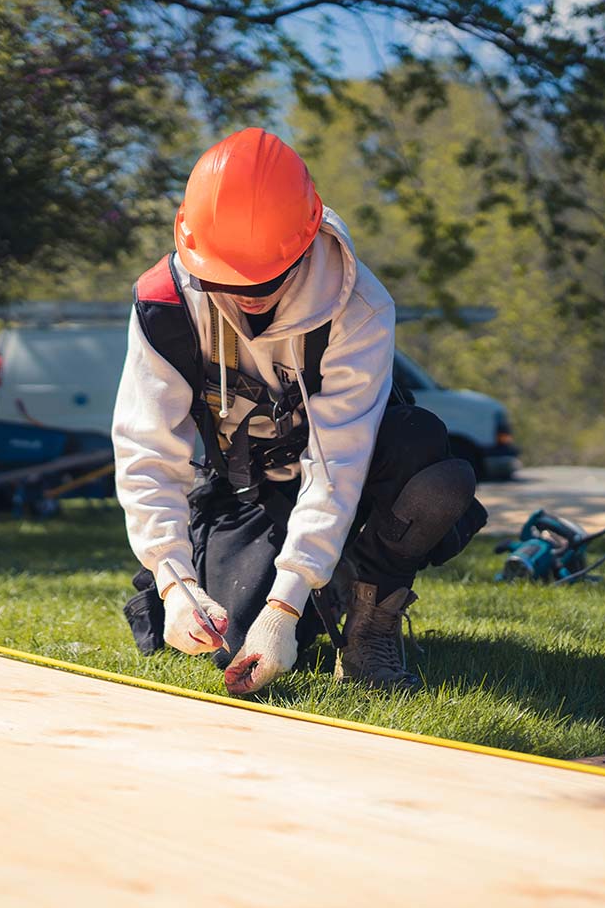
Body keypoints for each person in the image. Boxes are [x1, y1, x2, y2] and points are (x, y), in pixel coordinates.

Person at [113, 127, 486, 696]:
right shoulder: (163, 304)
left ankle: (370, 614)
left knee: (428, 460)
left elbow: (338, 462)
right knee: (231, 642)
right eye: (223, 281)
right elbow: (146, 451)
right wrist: (172, 580)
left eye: (266, 278)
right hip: (244, 487)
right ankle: (322, 586)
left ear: (307, 240)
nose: (247, 296)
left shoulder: (357, 305)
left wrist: (284, 605)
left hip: (347, 476)